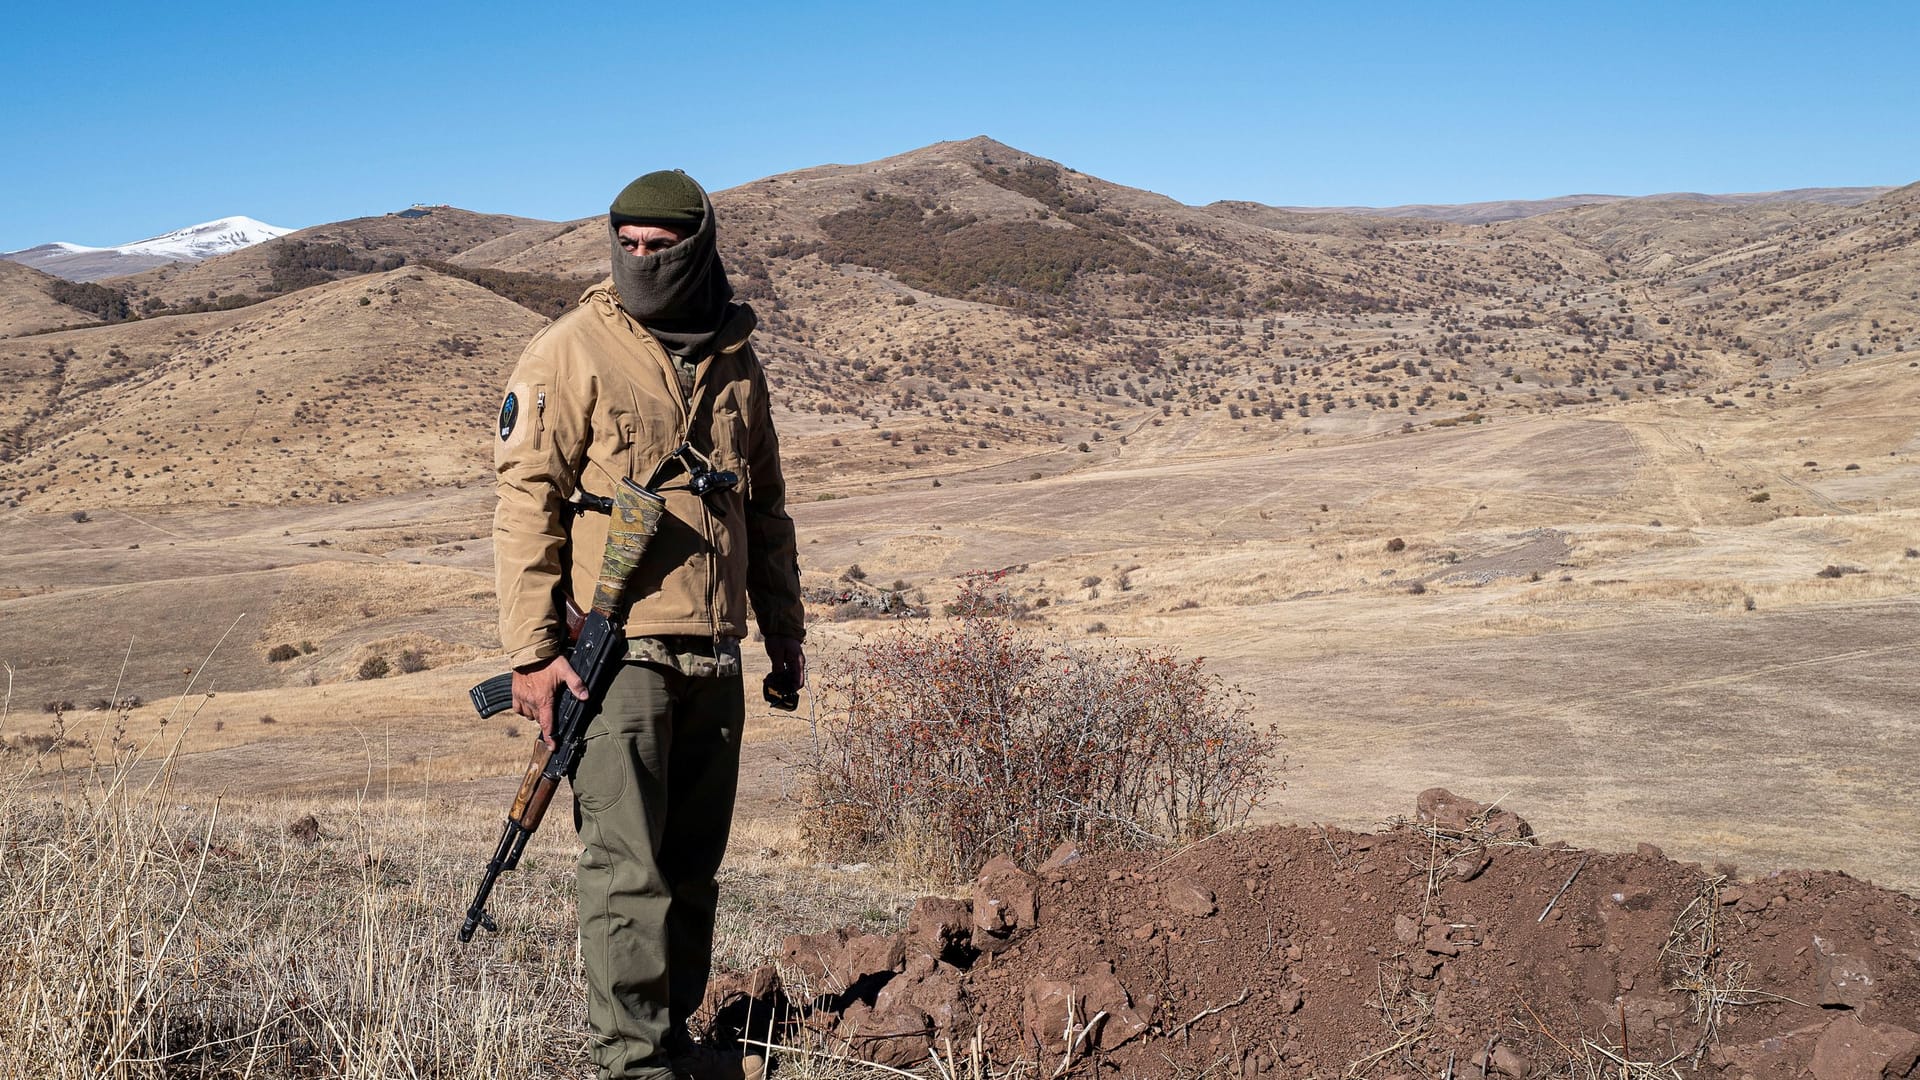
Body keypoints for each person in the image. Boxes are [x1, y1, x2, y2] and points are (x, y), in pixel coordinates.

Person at [493, 169, 805, 1080]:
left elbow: (768, 507)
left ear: (697, 246)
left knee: (692, 867)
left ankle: (672, 1039)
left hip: (716, 651)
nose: (640, 260)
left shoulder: (736, 357)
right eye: (625, 245)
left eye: (659, 248)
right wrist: (533, 657)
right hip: (615, 656)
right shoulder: (570, 351)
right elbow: (526, 506)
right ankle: (631, 1065)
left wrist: (783, 627)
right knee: (626, 872)